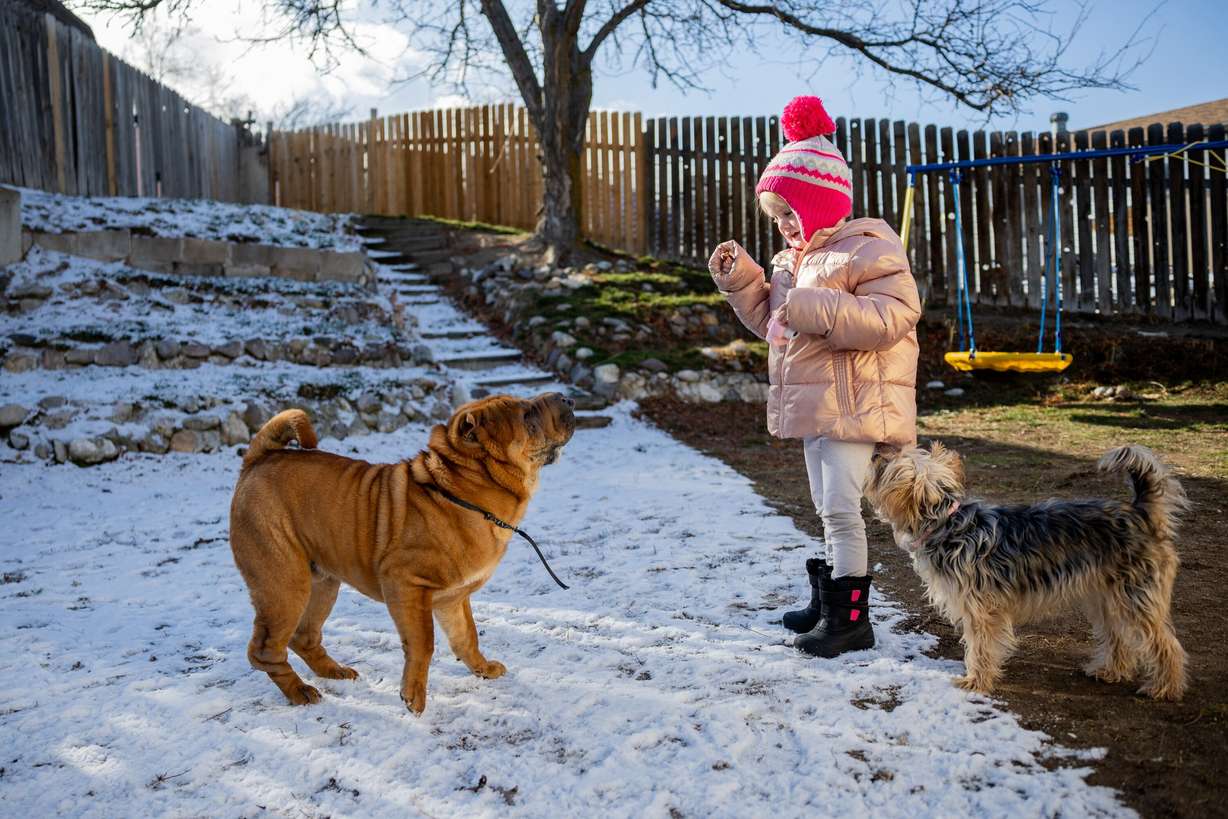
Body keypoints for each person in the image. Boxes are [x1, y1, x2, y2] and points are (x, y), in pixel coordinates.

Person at [708, 95, 921, 658]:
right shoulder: (790, 261)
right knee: (823, 504)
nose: (782, 227)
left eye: (788, 214)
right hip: (817, 405)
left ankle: (851, 621)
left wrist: (808, 305)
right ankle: (828, 602)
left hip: (855, 405)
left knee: (843, 510)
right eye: (775, 219)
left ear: (819, 202)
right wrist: (744, 280)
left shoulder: (869, 245)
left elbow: (893, 317)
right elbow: (772, 325)